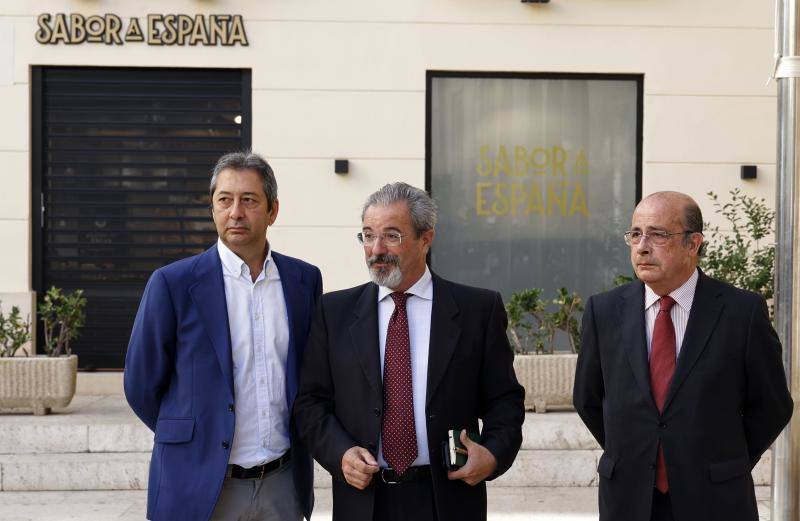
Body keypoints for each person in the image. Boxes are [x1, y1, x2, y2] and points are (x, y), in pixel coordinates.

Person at [293, 182, 525, 521]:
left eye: (391, 235)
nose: (376, 249)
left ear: (425, 239)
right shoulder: (334, 312)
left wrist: (491, 454)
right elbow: (310, 403)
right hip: (363, 500)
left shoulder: (478, 310)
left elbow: (504, 399)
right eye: (368, 236)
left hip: (447, 498)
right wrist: (340, 454)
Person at [124, 151, 322, 521]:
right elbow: (140, 385)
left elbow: (309, 375)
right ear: (212, 208)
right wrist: (194, 434)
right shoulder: (173, 284)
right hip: (198, 484)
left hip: (282, 484)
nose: (236, 212)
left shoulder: (303, 281)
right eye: (224, 200)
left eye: (249, 200)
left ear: (273, 210)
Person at [573, 191, 793, 521]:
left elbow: (773, 405)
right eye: (635, 234)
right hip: (629, 498)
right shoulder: (603, 311)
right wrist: (640, 451)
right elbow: (587, 399)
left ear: (693, 244)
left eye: (658, 234)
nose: (642, 246)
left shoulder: (741, 312)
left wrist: (723, 462)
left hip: (715, 498)